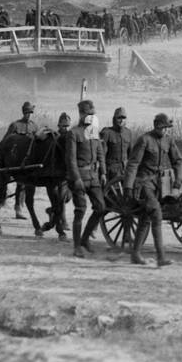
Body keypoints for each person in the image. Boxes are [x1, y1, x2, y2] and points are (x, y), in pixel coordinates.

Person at [123, 113, 182, 267]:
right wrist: (128, 187)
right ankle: (161, 257)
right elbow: (133, 163)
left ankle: (135, 255)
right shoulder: (144, 140)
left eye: (167, 128)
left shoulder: (168, 140)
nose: (165, 131)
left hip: (158, 184)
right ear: (156, 125)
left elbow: (177, 161)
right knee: (156, 214)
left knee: (145, 218)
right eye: (163, 128)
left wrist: (178, 180)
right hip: (143, 183)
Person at [65, 100, 107, 257]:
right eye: (89, 114)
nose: (91, 117)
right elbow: (71, 159)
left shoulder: (93, 132)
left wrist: (103, 172)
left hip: (93, 176)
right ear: (81, 114)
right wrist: (76, 178)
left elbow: (100, 153)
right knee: (80, 210)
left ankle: (84, 239)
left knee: (101, 207)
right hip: (79, 177)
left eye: (93, 114)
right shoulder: (73, 133)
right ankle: (77, 247)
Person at [2, 101, 40, 227]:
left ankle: (19, 207)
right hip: (15, 158)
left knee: (24, 185)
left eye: (30, 113)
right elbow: (6, 141)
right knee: (17, 183)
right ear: (23, 112)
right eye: (26, 113)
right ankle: (12, 205)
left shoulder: (34, 126)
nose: (28, 115)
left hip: (28, 159)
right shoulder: (15, 125)